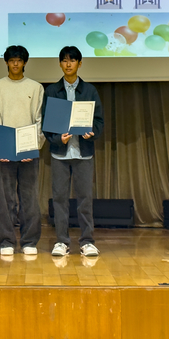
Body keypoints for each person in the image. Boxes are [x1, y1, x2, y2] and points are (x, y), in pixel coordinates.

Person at [42, 46, 104, 257]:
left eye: (72, 60)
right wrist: (57, 139)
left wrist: (92, 133)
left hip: (83, 152)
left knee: (85, 198)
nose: (68, 64)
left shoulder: (89, 90)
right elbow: (47, 124)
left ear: (80, 63)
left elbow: (98, 121)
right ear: (60, 63)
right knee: (60, 199)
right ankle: (62, 241)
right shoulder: (52, 91)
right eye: (65, 60)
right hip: (60, 154)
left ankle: (87, 241)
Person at [0, 45, 45, 256]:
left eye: (19, 60)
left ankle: (29, 241)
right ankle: (7, 241)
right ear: (6, 62)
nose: (15, 64)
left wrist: (34, 146)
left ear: (25, 62)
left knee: (30, 198)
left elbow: (39, 120)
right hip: (4, 151)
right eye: (12, 60)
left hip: (28, 151)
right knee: (6, 199)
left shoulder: (35, 88)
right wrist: (0, 146)